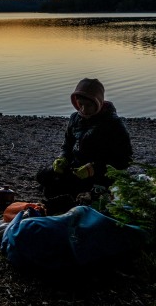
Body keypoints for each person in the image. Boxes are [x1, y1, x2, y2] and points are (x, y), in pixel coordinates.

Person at [36, 78, 132, 214]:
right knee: (43, 176)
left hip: (100, 175)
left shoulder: (113, 124)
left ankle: (85, 196)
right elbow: (67, 146)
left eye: (88, 105)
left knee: (57, 191)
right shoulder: (75, 118)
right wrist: (62, 158)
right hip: (76, 168)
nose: (84, 110)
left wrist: (94, 168)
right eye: (80, 104)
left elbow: (125, 160)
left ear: (97, 103)